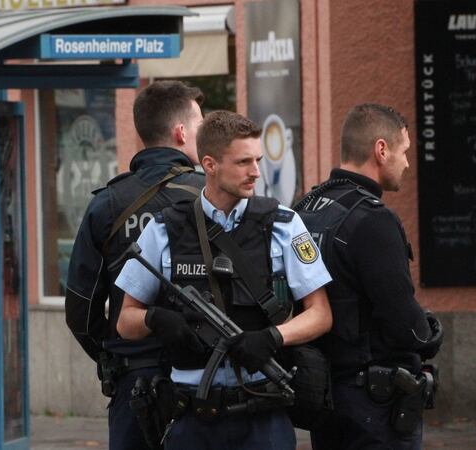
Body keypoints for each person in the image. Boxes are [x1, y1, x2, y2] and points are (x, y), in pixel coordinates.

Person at [115, 110, 333, 450]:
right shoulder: (163, 229)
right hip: (192, 415)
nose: (256, 172)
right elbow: (125, 322)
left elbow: (321, 313)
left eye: (258, 160)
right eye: (243, 162)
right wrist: (155, 318)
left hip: (263, 412)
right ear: (210, 164)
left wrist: (274, 337)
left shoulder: (283, 225)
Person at [64, 80, 205, 450]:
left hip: (134, 383)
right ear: (181, 132)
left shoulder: (108, 203)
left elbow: (80, 309)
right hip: (205, 383)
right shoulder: (211, 196)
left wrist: (114, 353)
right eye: (200, 125)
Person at [295, 103, 442, 450]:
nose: (407, 163)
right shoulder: (373, 219)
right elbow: (404, 322)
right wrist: (430, 334)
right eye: (404, 152)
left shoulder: (305, 208)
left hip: (323, 393)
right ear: (381, 150)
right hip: (373, 403)